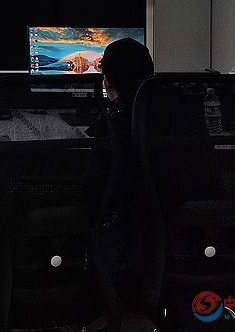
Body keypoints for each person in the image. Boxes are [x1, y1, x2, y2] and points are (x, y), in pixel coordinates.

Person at [87, 37, 154, 288]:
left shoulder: (114, 125)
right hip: (180, 233)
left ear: (107, 81)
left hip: (130, 233)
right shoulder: (180, 113)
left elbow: (92, 191)